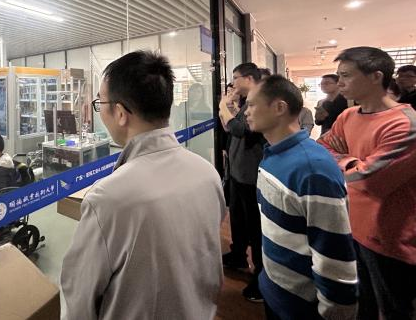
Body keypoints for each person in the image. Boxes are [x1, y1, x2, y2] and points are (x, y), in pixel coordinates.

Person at [61, 51, 225, 320]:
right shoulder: (207, 173)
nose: (100, 111)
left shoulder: (108, 198)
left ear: (120, 113)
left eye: (101, 102)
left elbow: (79, 299)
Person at [246, 75, 357, 319]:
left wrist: (332, 313)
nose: (246, 111)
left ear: (279, 108)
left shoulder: (312, 168)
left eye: (252, 104)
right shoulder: (272, 154)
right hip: (276, 289)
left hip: (301, 305)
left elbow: (334, 254)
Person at [318, 47, 416, 319]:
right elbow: (322, 147)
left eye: (346, 75)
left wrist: (344, 161)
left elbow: (369, 181)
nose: (340, 83)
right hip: (354, 227)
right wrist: (354, 162)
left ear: (376, 76)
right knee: (363, 305)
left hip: (391, 239)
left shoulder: (405, 124)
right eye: (338, 76)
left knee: (394, 310)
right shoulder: (349, 115)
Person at [218, 62, 265, 302]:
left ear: (248, 78)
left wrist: (223, 105)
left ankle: (261, 277)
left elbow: (239, 129)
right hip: (238, 172)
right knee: (238, 218)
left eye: (235, 77)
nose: (233, 82)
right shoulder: (247, 102)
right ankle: (238, 255)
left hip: (251, 175)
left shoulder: (260, 100)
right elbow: (230, 128)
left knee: (256, 228)